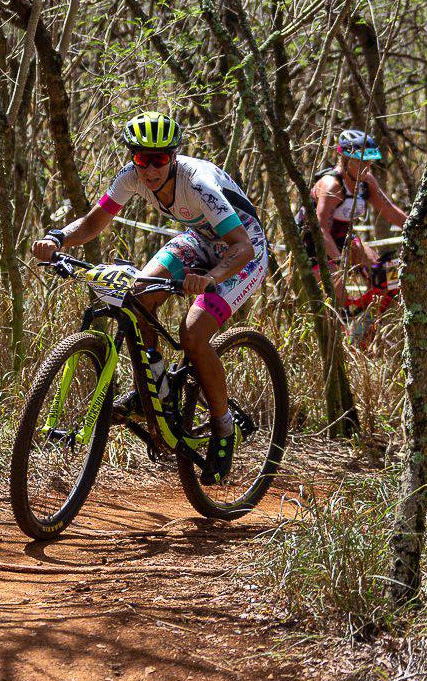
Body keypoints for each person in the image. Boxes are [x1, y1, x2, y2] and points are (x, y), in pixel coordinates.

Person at [32, 112, 268, 485]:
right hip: (199, 242)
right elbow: (94, 223)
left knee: (192, 333)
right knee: (138, 295)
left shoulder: (200, 183)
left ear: (173, 157)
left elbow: (240, 247)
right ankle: (155, 390)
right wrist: (57, 238)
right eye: (142, 158)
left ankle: (224, 428)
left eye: (159, 159)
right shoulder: (131, 177)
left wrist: (210, 278)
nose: (150, 168)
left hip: (241, 252)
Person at [299, 129, 407, 306]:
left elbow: (389, 210)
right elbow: (321, 230)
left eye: (369, 161)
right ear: (346, 160)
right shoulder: (331, 186)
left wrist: (415, 227)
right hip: (314, 245)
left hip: (344, 238)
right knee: (337, 289)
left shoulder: (367, 181)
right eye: (360, 161)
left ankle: (372, 323)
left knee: (383, 273)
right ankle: (342, 324)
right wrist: (340, 264)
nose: (366, 166)